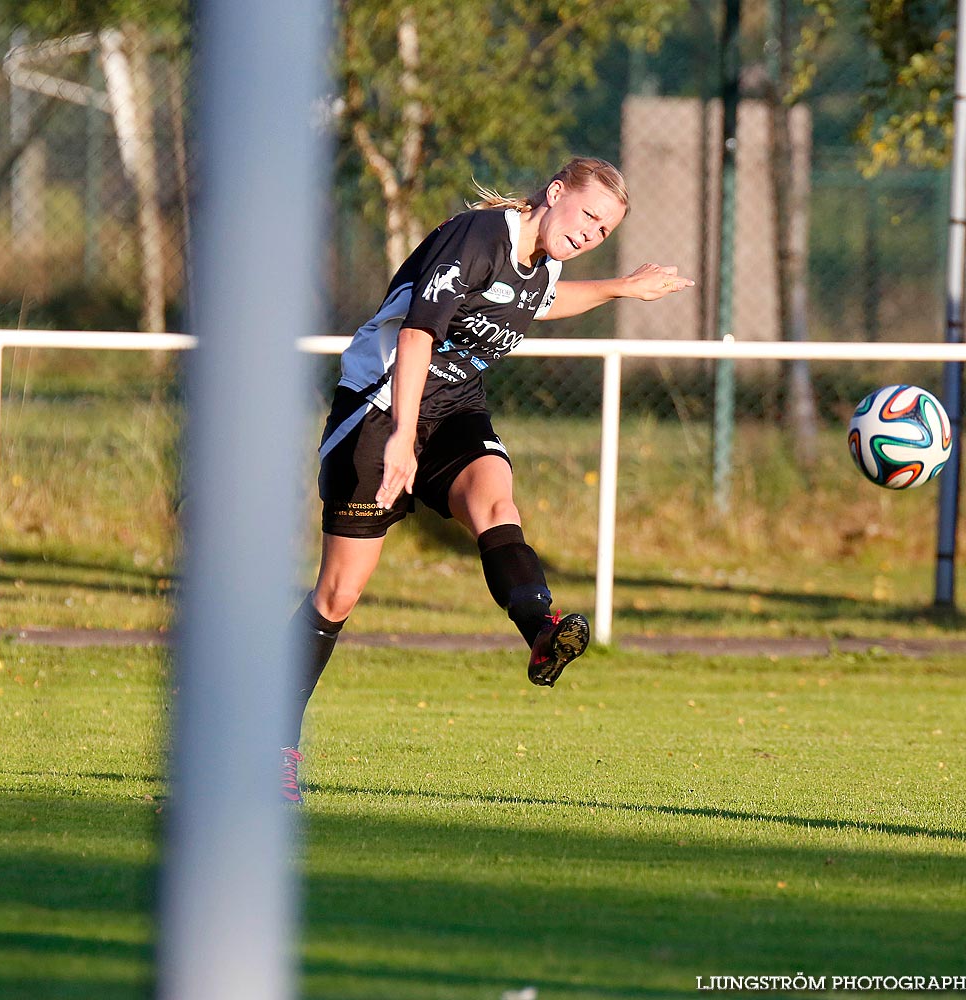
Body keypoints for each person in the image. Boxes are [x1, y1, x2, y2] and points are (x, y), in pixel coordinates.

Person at [280, 157, 693, 803]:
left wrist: (621, 288)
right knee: (338, 595)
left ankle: (541, 632)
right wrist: (399, 441)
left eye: (604, 230)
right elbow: (418, 334)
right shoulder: (479, 236)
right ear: (555, 194)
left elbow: (542, 301)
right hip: (381, 407)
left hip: (455, 408)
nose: (591, 234)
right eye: (588, 215)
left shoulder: (542, 263)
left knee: (497, 500)